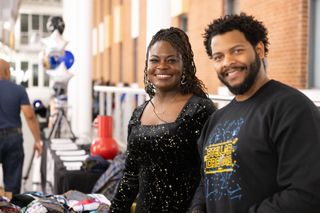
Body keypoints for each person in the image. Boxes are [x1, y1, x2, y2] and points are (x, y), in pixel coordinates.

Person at [190, 13, 320, 213]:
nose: (228, 62)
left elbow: (306, 193)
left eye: (237, 50)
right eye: (219, 57)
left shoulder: (291, 108)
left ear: (259, 50)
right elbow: (207, 178)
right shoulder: (216, 119)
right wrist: (197, 208)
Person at [109, 27, 216, 212]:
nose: (162, 66)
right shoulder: (138, 114)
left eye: (171, 60)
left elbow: (209, 174)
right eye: (154, 60)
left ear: (185, 65)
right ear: (147, 65)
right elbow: (130, 176)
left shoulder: (199, 109)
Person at [0, 59, 42, 194]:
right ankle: (10, 207)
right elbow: (29, 116)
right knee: (12, 184)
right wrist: (37, 140)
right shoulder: (18, 90)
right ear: (7, 72)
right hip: (13, 138)